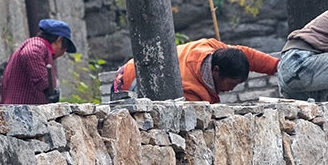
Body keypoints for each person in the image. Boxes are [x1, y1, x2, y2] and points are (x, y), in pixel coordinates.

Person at [112, 38, 279, 103]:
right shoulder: (193, 92)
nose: (232, 89)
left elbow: (246, 54)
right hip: (127, 80)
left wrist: (277, 66)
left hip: (138, 66)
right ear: (216, 71)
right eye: (232, 83)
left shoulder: (211, 48)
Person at [0, 18, 77, 105]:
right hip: (19, 112)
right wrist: (47, 88)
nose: (63, 53)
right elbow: (29, 53)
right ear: (59, 40)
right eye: (64, 47)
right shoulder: (39, 44)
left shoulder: (41, 48)